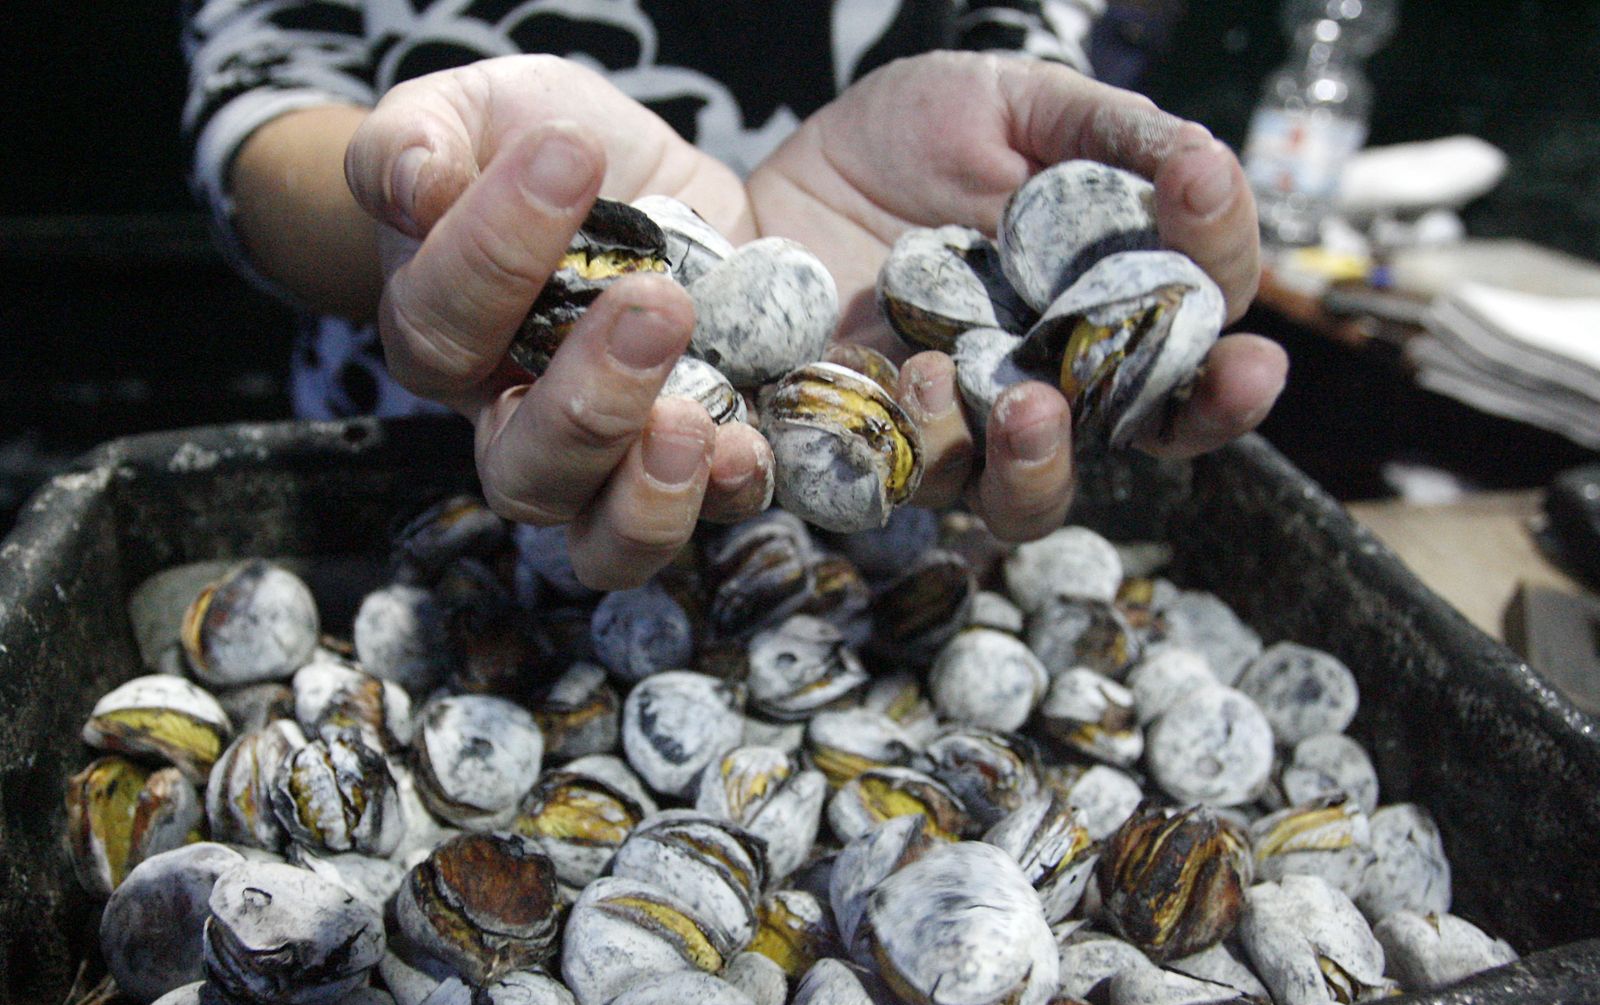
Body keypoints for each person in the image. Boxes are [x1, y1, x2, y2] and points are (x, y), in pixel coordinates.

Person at [182, 1, 1287, 590]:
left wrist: (1029, 147)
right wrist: (421, 225)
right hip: (426, 444)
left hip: (876, 518)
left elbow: (1020, 29)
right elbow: (258, 99)